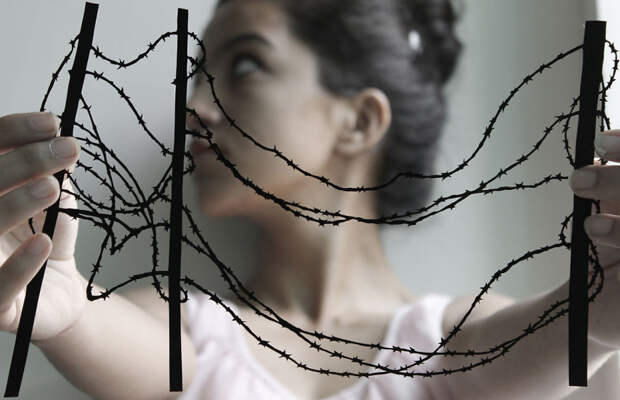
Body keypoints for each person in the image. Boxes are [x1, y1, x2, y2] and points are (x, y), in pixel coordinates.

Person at [0, 0, 619, 399]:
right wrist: (53, 298)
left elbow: (585, 319)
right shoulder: (180, 328)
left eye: (245, 66)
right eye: (196, 76)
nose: (194, 108)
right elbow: (79, 315)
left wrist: (603, 299)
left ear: (359, 121)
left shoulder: (452, 339)